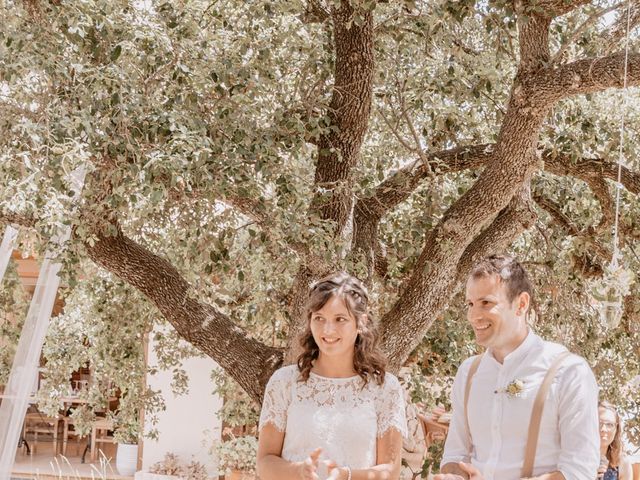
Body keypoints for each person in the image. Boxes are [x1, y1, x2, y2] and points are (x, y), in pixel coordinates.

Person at [435, 254, 599, 480]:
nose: (473, 316)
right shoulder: (468, 373)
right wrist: (453, 475)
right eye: (470, 304)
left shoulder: (569, 371)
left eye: (486, 303)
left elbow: (578, 471)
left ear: (521, 304)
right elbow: (454, 455)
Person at [256, 272, 407, 480]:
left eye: (340, 319)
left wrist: (346, 475)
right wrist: (298, 472)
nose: (328, 330)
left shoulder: (385, 388)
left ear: (360, 323)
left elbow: (390, 472)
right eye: (319, 318)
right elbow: (264, 463)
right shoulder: (284, 382)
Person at [598, 401, 633, 480]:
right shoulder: (574, 458)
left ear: (616, 429)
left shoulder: (623, 463)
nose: (603, 429)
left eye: (609, 424)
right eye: (599, 423)